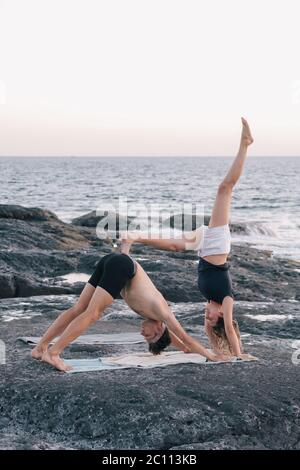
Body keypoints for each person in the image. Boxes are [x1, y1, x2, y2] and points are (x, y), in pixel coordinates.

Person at [121, 118, 255, 359]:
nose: (207, 314)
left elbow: (205, 332)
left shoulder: (210, 301)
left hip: (204, 249)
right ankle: (245, 144)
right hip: (215, 247)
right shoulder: (226, 300)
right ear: (222, 314)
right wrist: (238, 355)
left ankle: (136, 237)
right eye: (210, 316)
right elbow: (228, 328)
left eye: (206, 316)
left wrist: (211, 350)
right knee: (224, 188)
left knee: (173, 244)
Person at [31, 251, 225, 371]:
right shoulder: (164, 314)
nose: (143, 334)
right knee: (92, 313)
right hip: (122, 266)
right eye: (149, 337)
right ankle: (53, 353)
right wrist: (212, 357)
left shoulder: (158, 320)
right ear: (159, 330)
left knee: (79, 308)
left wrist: (185, 350)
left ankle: (40, 348)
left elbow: (183, 344)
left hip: (113, 260)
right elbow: (187, 339)